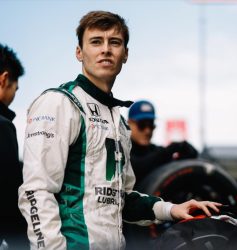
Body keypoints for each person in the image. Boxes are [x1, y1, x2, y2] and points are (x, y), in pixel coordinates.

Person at [18, 11, 221, 250]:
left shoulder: (119, 121)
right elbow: (36, 192)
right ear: (79, 53)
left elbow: (121, 199)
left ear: (125, 54)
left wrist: (173, 209)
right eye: (96, 42)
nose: (106, 49)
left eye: (114, 42)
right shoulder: (59, 103)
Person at [128, 100, 198, 185]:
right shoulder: (120, 151)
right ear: (129, 123)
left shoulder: (156, 152)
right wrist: (169, 150)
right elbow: (136, 168)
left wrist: (186, 152)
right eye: (142, 125)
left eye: (151, 125)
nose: (147, 131)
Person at [0, 44, 28, 249]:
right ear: (4, 80)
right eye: (15, 89)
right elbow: (10, 201)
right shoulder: (3, 126)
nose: (14, 96)